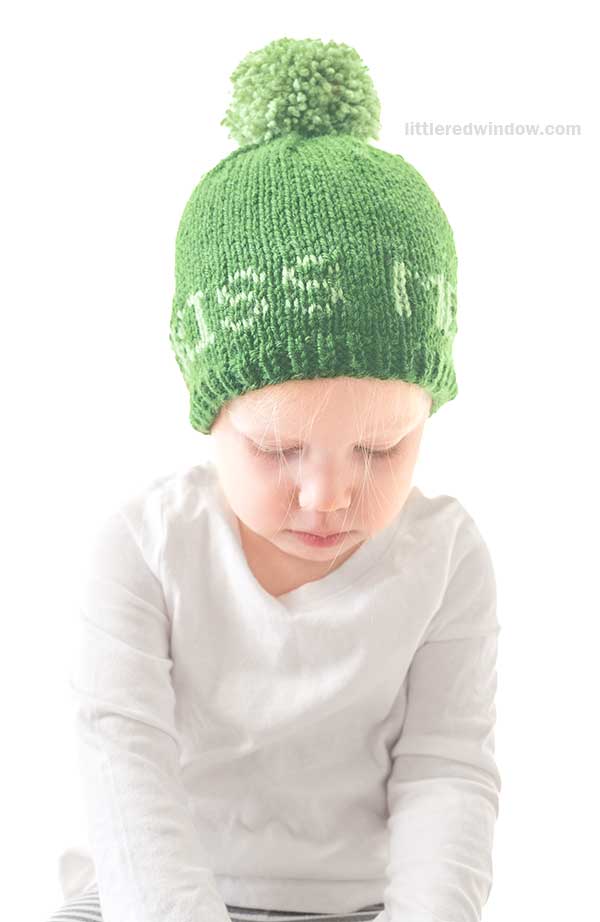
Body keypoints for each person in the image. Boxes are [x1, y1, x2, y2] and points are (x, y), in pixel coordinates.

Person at [49, 36, 502, 922]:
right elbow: (125, 765)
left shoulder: (446, 556)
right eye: (277, 449)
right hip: (152, 893)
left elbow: (448, 769)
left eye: (381, 448)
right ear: (210, 411)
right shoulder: (144, 548)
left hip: (356, 904)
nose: (330, 495)